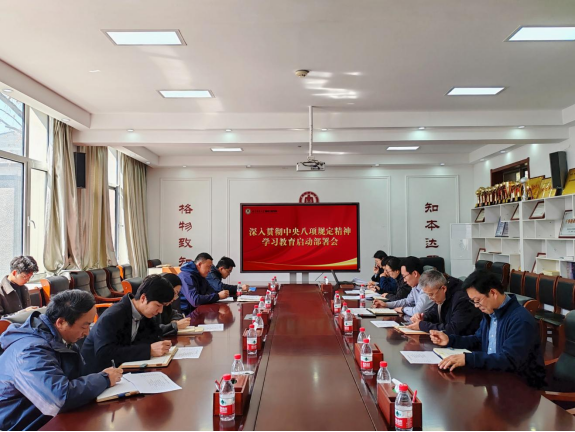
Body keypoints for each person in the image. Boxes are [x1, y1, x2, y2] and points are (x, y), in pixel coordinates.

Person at [0, 290, 123, 431]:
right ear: (61, 322)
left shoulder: (61, 341)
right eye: (84, 326)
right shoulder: (29, 352)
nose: (87, 333)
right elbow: (59, 398)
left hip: (50, 419)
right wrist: (104, 379)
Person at [431, 270, 546, 389]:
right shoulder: (491, 313)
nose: (476, 306)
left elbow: (510, 360)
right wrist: (450, 340)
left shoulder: (520, 320)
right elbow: (478, 340)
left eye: (477, 301)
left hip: (520, 387)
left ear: (493, 293)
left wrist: (468, 358)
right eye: (473, 301)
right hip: (495, 378)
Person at [81, 275, 175, 374]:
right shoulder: (113, 316)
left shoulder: (145, 314)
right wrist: (148, 350)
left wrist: (161, 346)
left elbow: (153, 337)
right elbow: (104, 353)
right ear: (143, 298)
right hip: (98, 374)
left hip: (124, 368)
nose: (160, 311)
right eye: (158, 305)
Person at [406, 270, 482, 336]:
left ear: (443, 288)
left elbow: (454, 329)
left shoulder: (461, 298)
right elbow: (435, 313)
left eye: (431, 294)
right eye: (427, 295)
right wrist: (423, 317)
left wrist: (423, 326)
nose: (429, 298)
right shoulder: (441, 293)